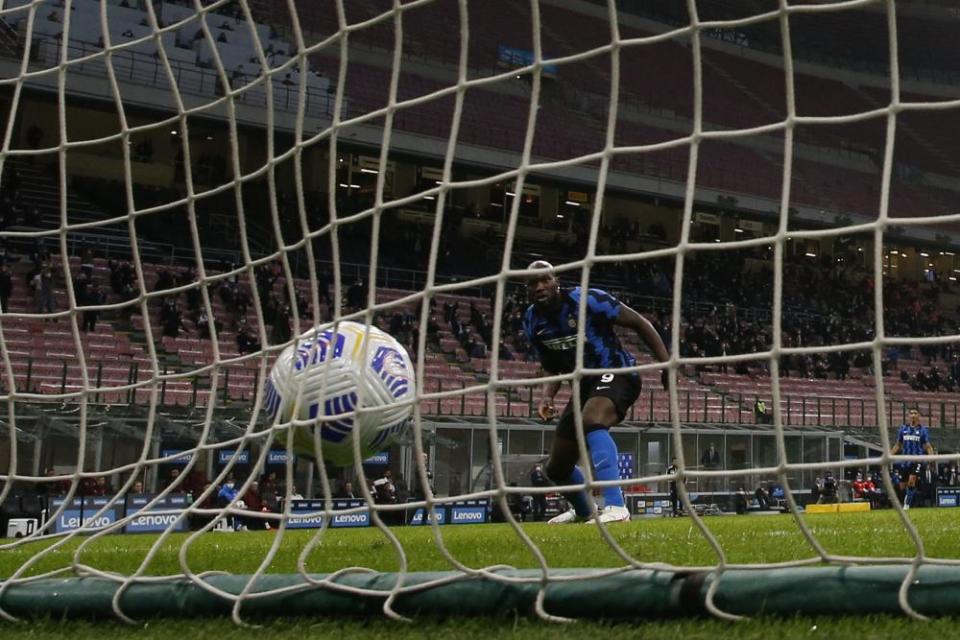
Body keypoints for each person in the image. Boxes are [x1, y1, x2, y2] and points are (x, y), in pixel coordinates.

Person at [523, 260, 670, 524]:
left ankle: (616, 506)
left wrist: (666, 364)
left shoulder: (587, 299)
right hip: (583, 385)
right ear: (526, 289)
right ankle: (584, 511)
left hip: (617, 371)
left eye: (545, 279)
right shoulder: (532, 320)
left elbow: (638, 322)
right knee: (557, 467)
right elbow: (551, 365)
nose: (540, 286)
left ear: (556, 280)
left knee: (592, 420)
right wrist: (547, 396)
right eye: (533, 283)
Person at [890, 407, 935, 510]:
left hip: (917, 460)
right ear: (909, 416)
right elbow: (898, 444)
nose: (913, 415)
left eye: (915, 413)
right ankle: (910, 496)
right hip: (905, 460)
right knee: (902, 486)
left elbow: (927, 446)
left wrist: (931, 457)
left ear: (918, 415)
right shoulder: (903, 429)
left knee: (911, 481)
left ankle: (907, 505)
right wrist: (889, 455)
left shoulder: (922, 430)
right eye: (911, 413)